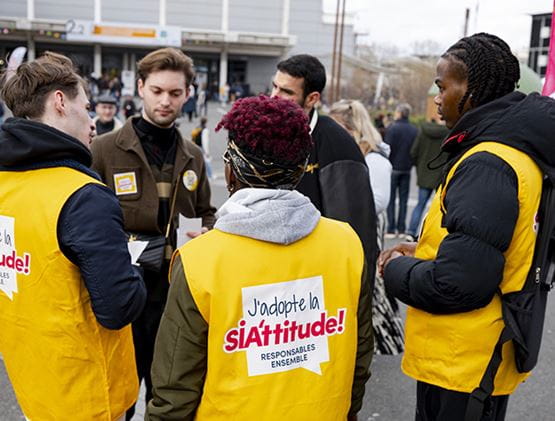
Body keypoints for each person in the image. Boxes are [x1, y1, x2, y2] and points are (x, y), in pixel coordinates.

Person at [146, 95, 373, 420]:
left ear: (232, 169)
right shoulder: (346, 243)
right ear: (299, 168)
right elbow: (360, 353)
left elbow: (174, 389)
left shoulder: (200, 261)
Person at [379, 33, 555, 420]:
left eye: (443, 86)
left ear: (472, 88)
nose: (438, 97)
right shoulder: (500, 150)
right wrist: (423, 251)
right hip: (469, 359)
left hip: (464, 364)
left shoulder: (488, 162)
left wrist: (394, 270)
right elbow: (482, 247)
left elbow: (458, 284)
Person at [0, 52, 146, 420]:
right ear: (60, 103)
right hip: (90, 395)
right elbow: (119, 307)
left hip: (34, 382)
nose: (94, 119)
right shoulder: (83, 196)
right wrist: (137, 266)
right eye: (87, 104)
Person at [90, 47, 217, 419]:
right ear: (140, 87)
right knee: (120, 396)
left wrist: (206, 232)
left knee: (170, 394)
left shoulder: (193, 154)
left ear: (188, 95)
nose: (166, 101)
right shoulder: (104, 150)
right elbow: (88, 224)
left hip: (177, 296)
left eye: (175, 94)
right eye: (158, 91)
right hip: (124, 295)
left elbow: (206, 211)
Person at [271, 54, 378, 287]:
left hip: (315, 286)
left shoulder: (337, 144)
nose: (274, 97)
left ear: (312, 98)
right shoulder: (265, 134)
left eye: (286, 92)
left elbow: (354, 236)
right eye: (274, 87)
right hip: (269, 278)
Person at [330, 99, 404, 355]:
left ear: (353, 128)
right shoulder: (351, 153)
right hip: (347, 225)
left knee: (369, 284)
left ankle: (381, 339)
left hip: (367, 225)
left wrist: (345, 197)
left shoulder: (376, 159)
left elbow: (379, 201)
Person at [405, 118, 449, 241]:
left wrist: (419, 167)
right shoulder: (448, 133)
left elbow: (414, 152)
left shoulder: (423, 131)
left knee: (420, 204)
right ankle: (432, 235)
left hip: (424, 172)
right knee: (439, 208)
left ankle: (410, 231)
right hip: (440, 174)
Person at [384, 103, 418, 238]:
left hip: (393, 167)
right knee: (403, 199)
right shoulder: (414, 130)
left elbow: (387, 148)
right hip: (407, 168)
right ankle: (402, 228)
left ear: (399, 113)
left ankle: (391, 229)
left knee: (391, 199)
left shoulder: (392, 129)